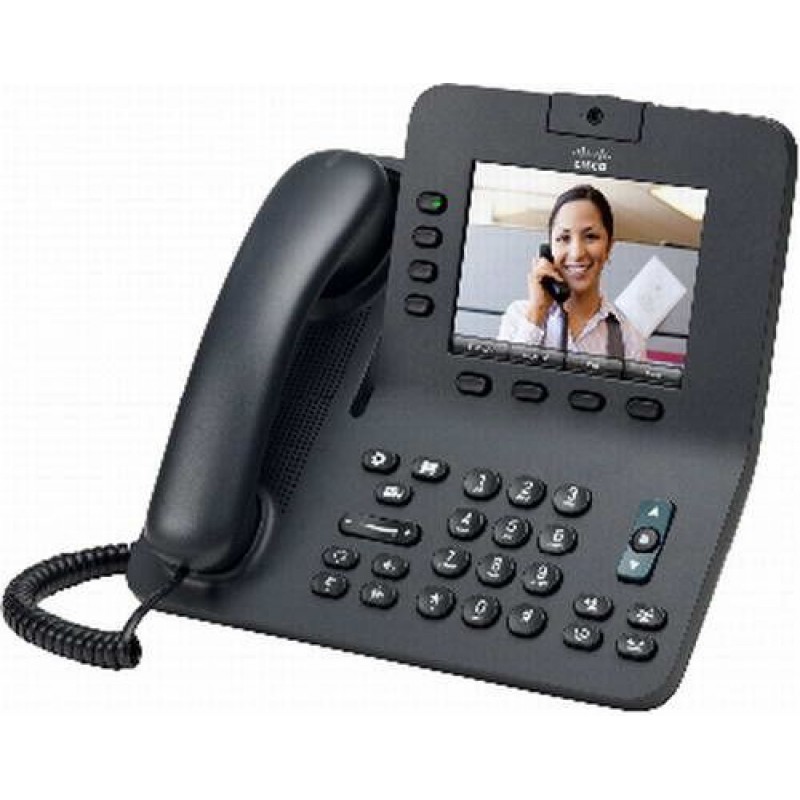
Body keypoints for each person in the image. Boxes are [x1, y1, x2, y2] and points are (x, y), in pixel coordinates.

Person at [497, 184, 646, 361]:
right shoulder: (520, 317)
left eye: (590, 237)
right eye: (564, 238)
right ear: (549, 250)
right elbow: (503, 376)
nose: (577, 253)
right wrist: (537, 312)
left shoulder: (629, 339)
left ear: (608, 248)